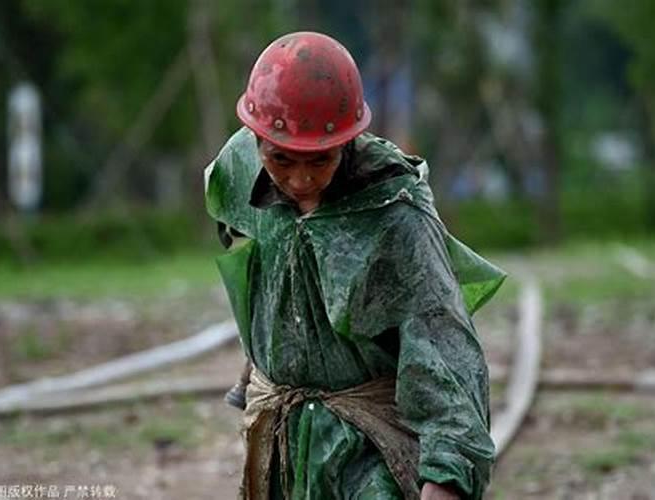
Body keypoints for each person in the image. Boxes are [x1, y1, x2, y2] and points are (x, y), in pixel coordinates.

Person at [204, 31, 505, 500]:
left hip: (369, 443)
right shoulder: (238, 173)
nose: (300, 179)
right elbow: (245, 251)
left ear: (348, 141)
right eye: (281, 160)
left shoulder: (395, 214)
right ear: (256, 140)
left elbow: (446, 349)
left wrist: (447, 475)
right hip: (281, 438)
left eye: (319, 161)